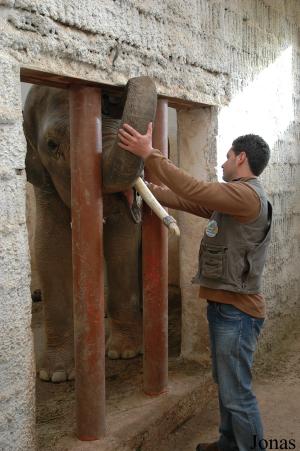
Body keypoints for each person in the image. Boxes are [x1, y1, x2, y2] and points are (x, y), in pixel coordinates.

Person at [118, 122, 272, 451]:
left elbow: (196, 191)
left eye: (228, 157)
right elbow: (191, 202)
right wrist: (145, 190)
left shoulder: (245, 195)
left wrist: (150, 154)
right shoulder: (235, 199)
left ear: (241, 158)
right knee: (226, 384)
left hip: (238, 313)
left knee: (237, 393)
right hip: (227, 309)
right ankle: (230, 443)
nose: (222, 163)